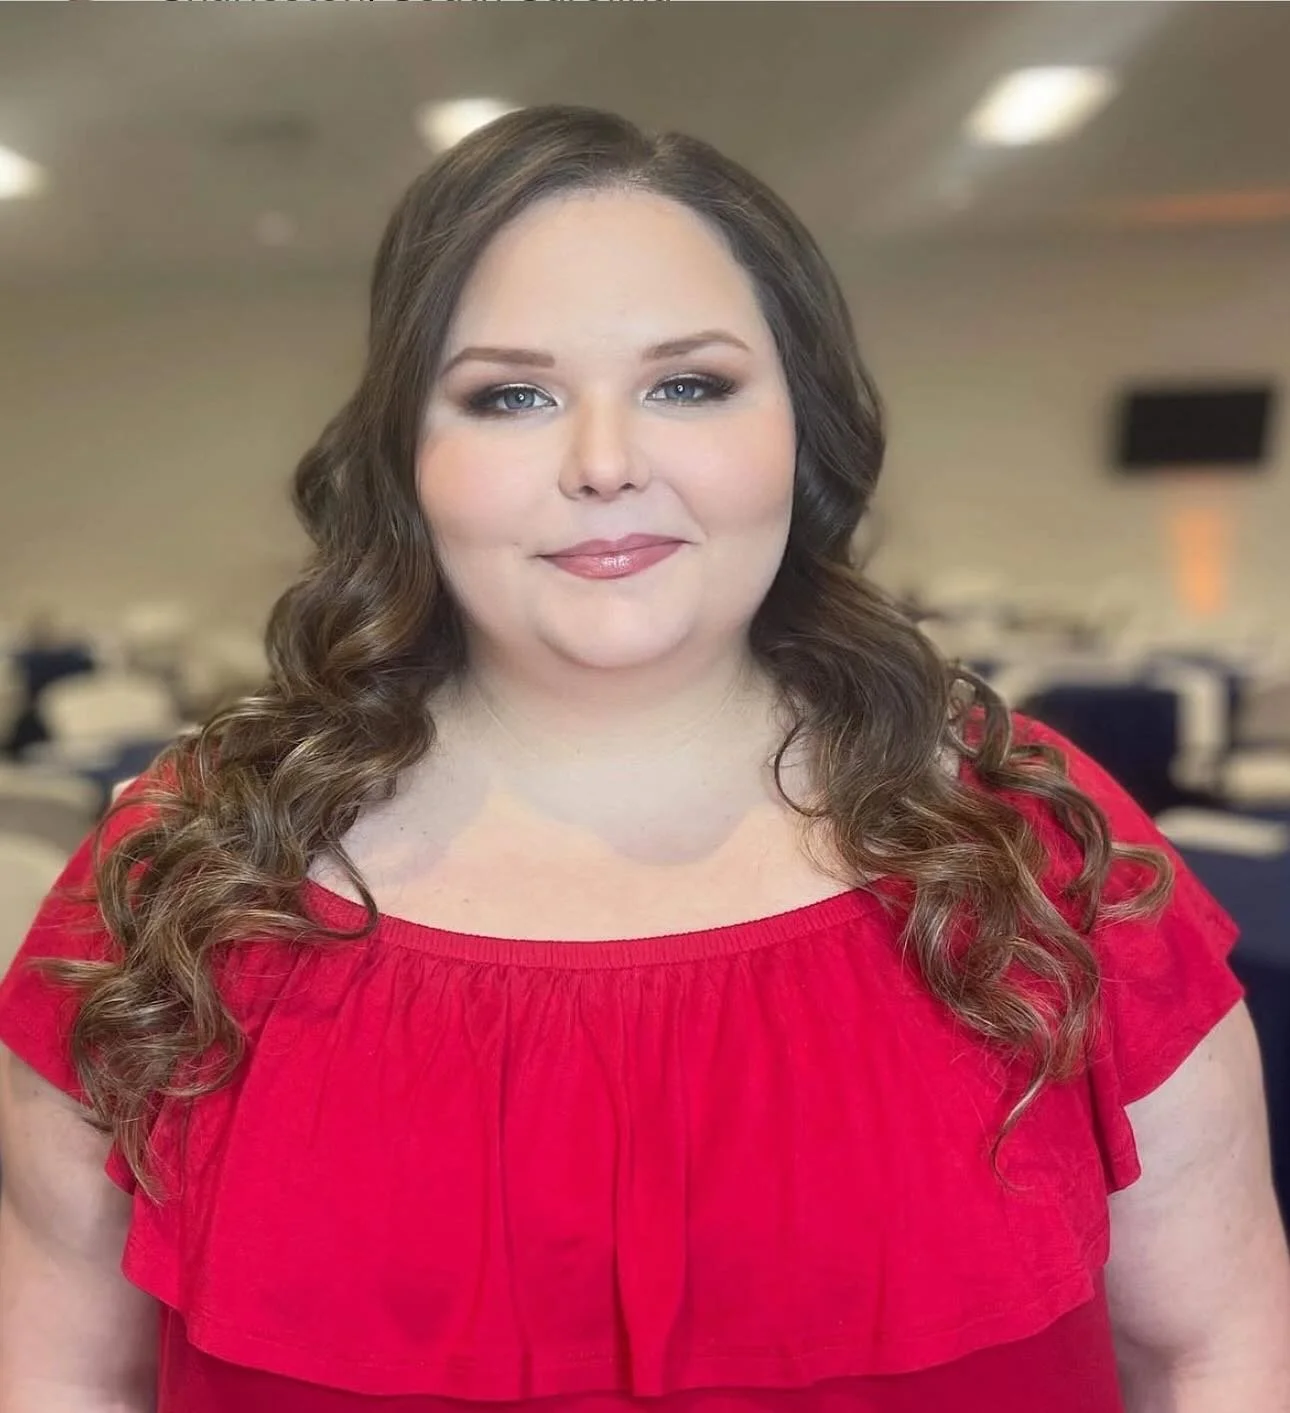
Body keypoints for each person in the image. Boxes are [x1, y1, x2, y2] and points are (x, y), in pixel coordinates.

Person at [0, 105, 1286, 1413]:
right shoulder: (178, 881)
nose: (604, 463)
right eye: (508, 394)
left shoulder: (1037, 852)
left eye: (688, 383)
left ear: (800, 425)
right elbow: (59, 1380)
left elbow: (1213, 1346)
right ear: (405, 457)